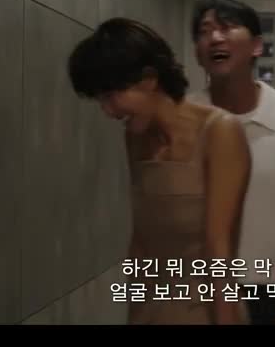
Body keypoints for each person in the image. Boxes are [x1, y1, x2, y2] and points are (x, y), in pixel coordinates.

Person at [67, 17, 251, 325]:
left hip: (204, 308)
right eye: (100, 100)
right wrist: (134, 312)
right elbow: (140, 243)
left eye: (110, 96)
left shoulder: (220, 131)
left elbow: (219, 249)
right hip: (152, 309)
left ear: (149, 79)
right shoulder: (135, 137)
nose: (108, 111)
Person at [186, 0, 275, 325]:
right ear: (197, 52)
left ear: (257, 46)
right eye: (205, 32)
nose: (215, 38)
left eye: (227, 28)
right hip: (199, 287)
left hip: (272, 288)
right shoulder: (185, 119)